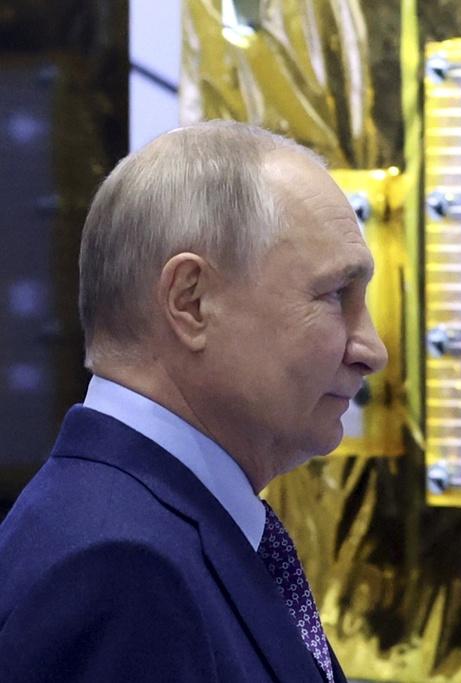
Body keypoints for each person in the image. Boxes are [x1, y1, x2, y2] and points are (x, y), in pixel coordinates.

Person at [0, 120, 387, 681]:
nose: (372, 350)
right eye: (334, 295)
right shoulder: (124, 569)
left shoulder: (134, 528)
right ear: (192, 302)